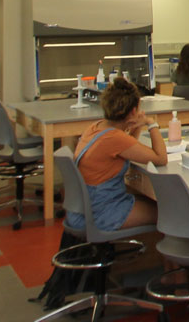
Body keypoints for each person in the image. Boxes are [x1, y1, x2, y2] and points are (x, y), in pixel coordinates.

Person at [67, 78, 168, 231]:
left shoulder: (96, 127)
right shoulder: (114, 138)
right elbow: (161, 158)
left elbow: (128, 146)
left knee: (150, 202)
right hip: (102, 214)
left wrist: (136, 126)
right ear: (133, 111)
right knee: (170, 211)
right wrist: (151, 123)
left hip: (83, 210)